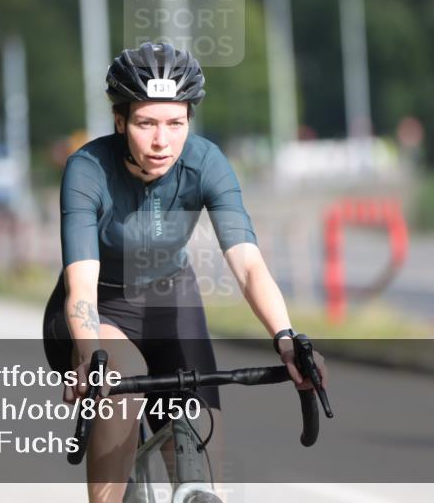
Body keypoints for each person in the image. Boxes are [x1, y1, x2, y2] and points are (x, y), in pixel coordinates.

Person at [42, 43, 327, 503]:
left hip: (170, 301)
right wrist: (90, 353)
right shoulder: (87, 169)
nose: (162, 142)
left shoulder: (205, 162)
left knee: (201, 463)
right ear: (120, 121)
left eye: (175, 124)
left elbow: (249, 265)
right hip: (99, 310)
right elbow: (81, 286)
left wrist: (286, 336)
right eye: (145, 123)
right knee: (121, 379)